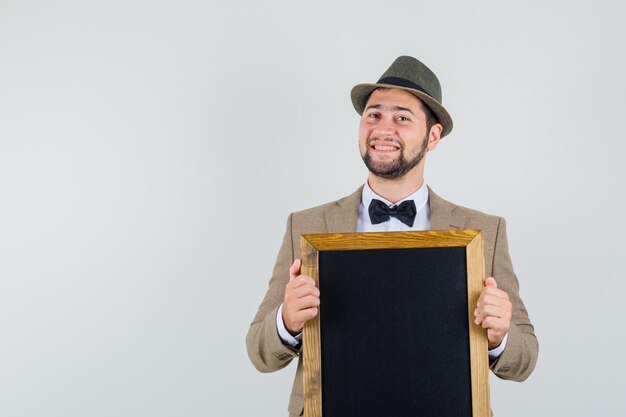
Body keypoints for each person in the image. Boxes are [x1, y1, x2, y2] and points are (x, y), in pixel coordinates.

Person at [246, 56, 538, 416]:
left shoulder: (484, 232)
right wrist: (286, 321)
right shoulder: (307, 226)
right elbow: (259, 353)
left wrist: (499, 336)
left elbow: (525, 359)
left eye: (402, 117)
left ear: (432, 137)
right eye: (373, 114)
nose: (383, 128)